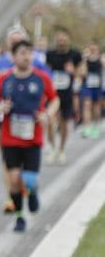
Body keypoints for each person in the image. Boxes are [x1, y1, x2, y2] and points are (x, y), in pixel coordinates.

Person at [0, 40, 58, 233]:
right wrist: (0, 108)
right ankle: (19, 216)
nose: (26, 57)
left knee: (29, 179)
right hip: (10, 137)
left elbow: (55, 100)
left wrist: (47, 115)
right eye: (22, 53)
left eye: (29, 53)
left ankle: (33, 191)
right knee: (14, 179)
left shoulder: (41, 78)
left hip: (33, 138)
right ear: (13, 56)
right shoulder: (4, 79)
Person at [44, 29, 81, 164]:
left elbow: (82, 73)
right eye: (59, 37)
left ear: (68, 39)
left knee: (64, 123)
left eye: (64, 37)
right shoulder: (49, 54)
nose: (61, 40)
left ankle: (61, 150)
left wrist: (73, 71)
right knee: (50, 120)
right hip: (52, 94)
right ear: (56, 39)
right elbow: (45, 71)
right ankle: (52, 148)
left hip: (67, 94)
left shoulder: (75, 54)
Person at [81, 42, 102, 139]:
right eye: (91, 49)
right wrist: (85, 59)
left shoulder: (101, 59)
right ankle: (86, 128)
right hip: (87, 86)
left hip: (97, 86)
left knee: (96, 107)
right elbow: (83, 73)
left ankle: (95, 127)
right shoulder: (85, 60)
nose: (93, 51)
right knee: (87, 105)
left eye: (94, 49)